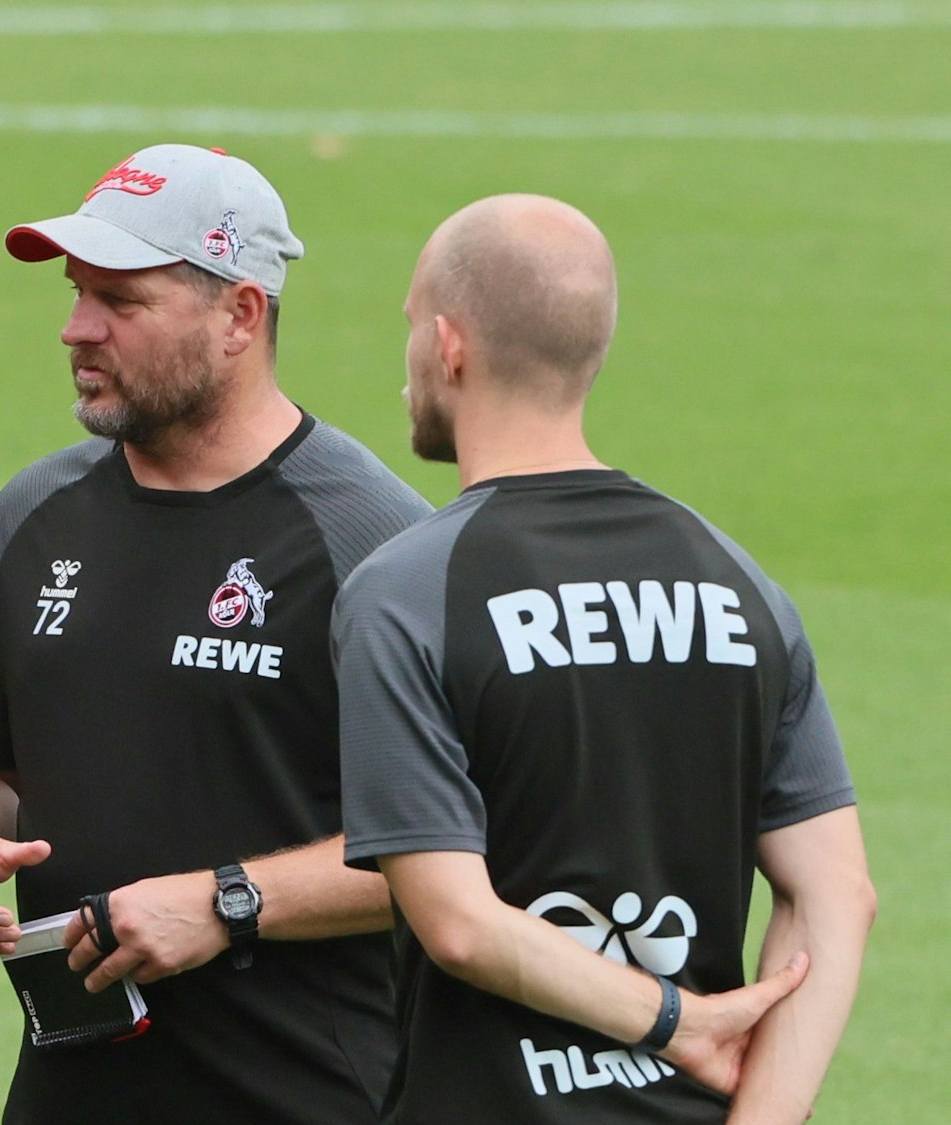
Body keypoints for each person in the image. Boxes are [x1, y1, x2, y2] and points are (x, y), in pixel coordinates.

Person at [0, 143, 431, 1122]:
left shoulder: (376, 545)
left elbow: (463, 846)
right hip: (70, 1093)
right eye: (76, 293)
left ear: (239, 315)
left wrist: (225, 903)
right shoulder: (33, 517)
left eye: (120, 300)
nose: (76, 328)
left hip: (306, 1095)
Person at [333, 194, 875, 1123]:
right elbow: (837, 894)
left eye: (414, 323)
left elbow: (458, 923)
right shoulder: (738, 580)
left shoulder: (407, 590)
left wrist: (674, 1021)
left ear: (450, 345)